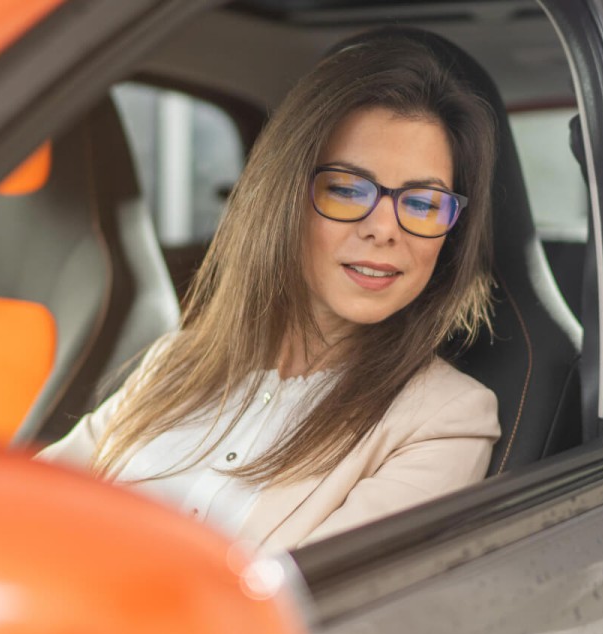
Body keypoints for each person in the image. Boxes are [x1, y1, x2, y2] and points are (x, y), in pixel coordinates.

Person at [38, 30, 500, 553]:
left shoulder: (445, 420)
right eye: (347, 189)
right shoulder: (174, 362)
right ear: (284, 198)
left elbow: (320, 595)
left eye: (421, 203)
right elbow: (25, 505)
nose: (384, 230)